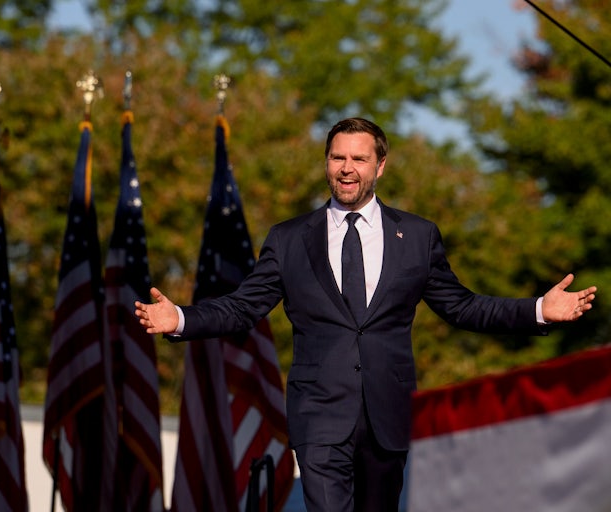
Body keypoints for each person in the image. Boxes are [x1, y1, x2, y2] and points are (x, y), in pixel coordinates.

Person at [134, 117, 597, 512]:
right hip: (319, 415)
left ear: (380, 165)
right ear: (327, 164)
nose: (347, 168)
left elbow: (462, 306)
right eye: (338, 158)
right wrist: (182, 319)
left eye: (358, 159)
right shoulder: (290, 238)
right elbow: (244, 306)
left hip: (387, 414)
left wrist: (538, 309)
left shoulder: (417, 236)